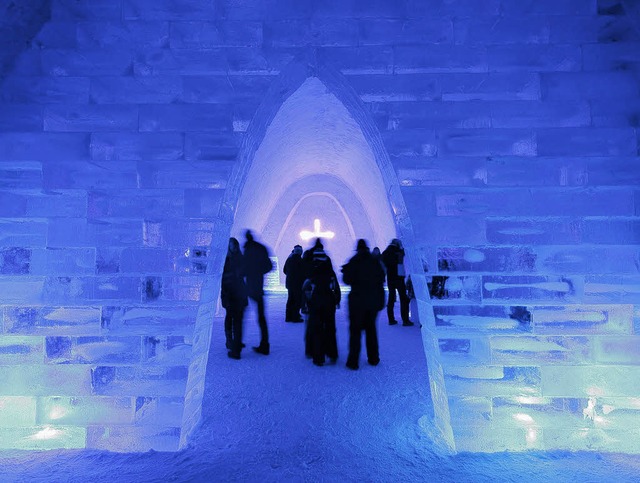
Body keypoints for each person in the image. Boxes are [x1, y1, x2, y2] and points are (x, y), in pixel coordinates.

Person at [341, 239, 386, 370]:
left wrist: (346, 271)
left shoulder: (354, 261)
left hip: (357, 302)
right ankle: (374, 358)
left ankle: (353, 361)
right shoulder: (375, 262)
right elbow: (382, 279)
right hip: (372, 302)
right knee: (371, 330)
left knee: (355, 331)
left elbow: (346, 279)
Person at [301, 240, 340, 366]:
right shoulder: (330, 272)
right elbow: (335, 287)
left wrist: (306, 303)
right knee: (330, 329)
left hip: (316, 303)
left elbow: (306, 288)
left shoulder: (311, 271)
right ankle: (332, 354)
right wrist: (336, 300)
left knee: (317, 330)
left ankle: (318, 357)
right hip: (329, 303)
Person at [243, 230, 274, 355]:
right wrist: (259, 272)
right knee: (261, 317)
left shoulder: (247, 249)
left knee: (240, 316)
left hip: (248, 286)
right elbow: (269, 266)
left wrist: (249, 272)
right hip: (258, 286)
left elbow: (242, 268)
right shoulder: (261, 248)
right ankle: (264, 344)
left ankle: (236, 344)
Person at [221, 237, 247, 360]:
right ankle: (231, 341)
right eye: (232, 245)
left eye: (235, 245)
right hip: (230, 294)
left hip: (238, 293)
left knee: (236, 319)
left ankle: (235, 343)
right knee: (232, 317)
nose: (234, 247)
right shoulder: (227, 260)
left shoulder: (238, 258)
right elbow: (223, 277)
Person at [381, 238, 414, 326]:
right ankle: (405, 320)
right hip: (399, 278)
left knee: (391, 298)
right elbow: (402, 257)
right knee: (403, 298)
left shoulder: (385, 252)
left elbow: (383, 265)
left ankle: (391, 319)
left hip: (390, 278)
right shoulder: (399, 251)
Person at [283, 245, 304, 322]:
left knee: (290, 300)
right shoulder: (301, 261)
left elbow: (284, 270)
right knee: (297, 300)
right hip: (298, 284)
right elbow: (304, 273)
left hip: (290, 283)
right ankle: (295, 317)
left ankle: (288, 317)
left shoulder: (289, 260)